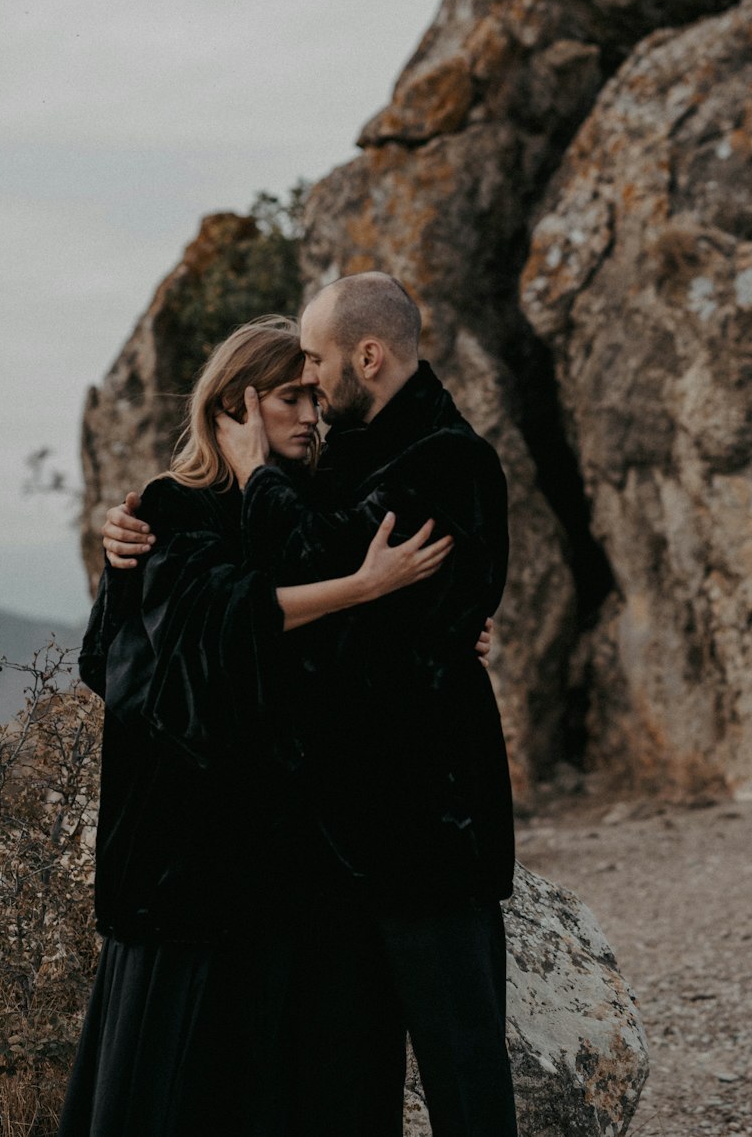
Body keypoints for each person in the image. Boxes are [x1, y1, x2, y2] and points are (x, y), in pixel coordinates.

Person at [103, 273, 520, 1137]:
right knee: (341, 1090)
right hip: (329, 854)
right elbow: (181, 634)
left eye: (318, 370)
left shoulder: (449, 460)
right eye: (294, 389)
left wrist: (261, 482)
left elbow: (309, 568)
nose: (316, 398)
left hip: (427, 840)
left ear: (367, 355)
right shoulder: (341, 462)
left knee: (463, 1075)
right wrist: (125, 555)